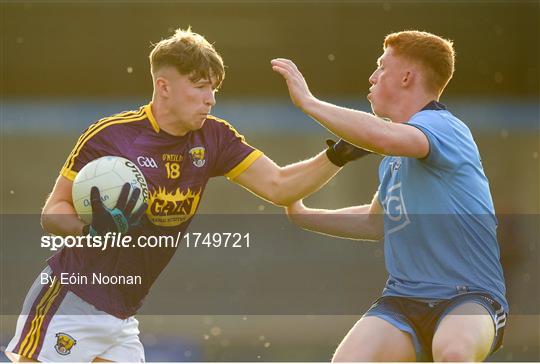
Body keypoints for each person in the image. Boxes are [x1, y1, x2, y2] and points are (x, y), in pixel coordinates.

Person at [5, 27, 365, 362]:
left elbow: (280, 186)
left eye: (214, 90)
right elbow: (52, 212)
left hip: (121, 317)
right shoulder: (110, 136)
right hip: (70, 300)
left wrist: (337, 156)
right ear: (164, 87)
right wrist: (92, 230)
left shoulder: (215, 138)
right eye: (199, 87)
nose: (210, 100)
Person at [272, 30, 508, 362]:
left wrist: (309, 103)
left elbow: (382, 136)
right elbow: (376, 222)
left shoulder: (443, 127)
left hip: (469, 297)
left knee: (453, 352)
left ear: (407, 76)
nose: (371, 77)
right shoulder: (394, 160)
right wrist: (304, 215)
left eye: (381, 67)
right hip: (403, 300)